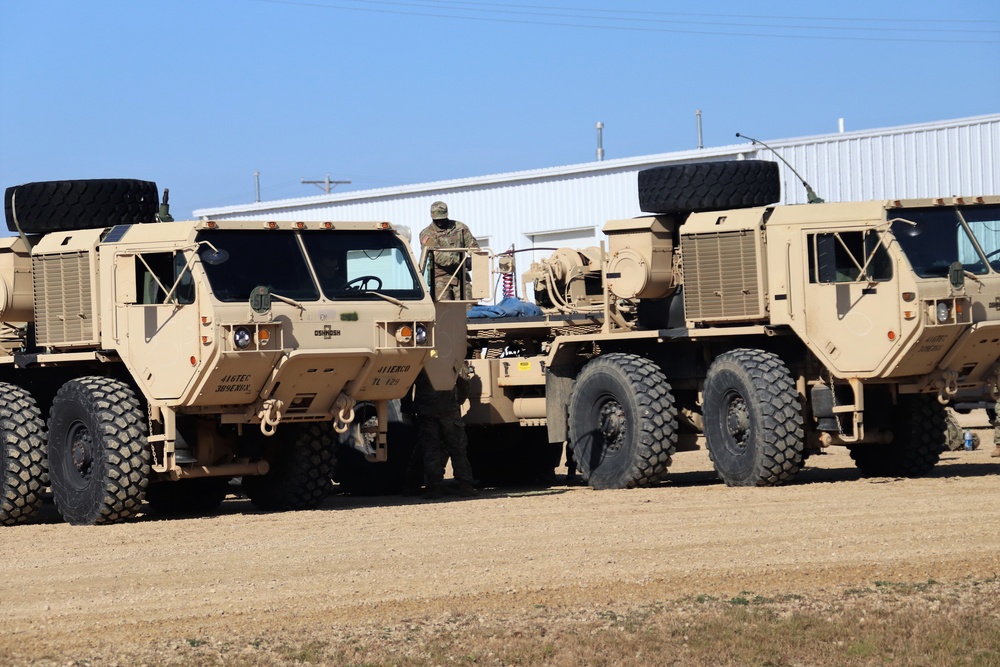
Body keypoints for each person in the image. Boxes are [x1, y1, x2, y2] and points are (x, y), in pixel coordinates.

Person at [408, 368, 477, 499]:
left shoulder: (420, 355)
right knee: (457, 447)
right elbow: (464, 379)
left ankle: (434, 486)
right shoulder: (450, 353)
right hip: (448, 408)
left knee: (430, 448)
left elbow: (407, 382)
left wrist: (407, 408)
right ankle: (465, 484)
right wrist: (459, 401)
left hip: (425, 408)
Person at [420, 201, 480, 301]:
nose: (439, 222)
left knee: (469, 306)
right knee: (444, 310)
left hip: (461, 275)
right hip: (440, 277)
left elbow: (474, 247)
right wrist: (463, 261)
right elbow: (439, 257)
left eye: (442, 219)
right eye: (436, 220)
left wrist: (474, 258)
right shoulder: (426, 234)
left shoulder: (460, 228)